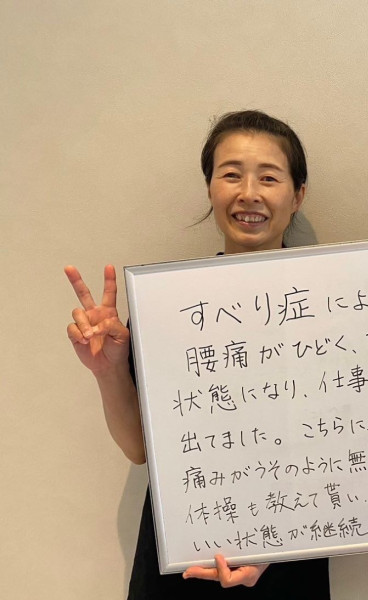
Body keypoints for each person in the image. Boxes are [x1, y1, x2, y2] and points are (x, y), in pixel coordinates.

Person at [65, 110, 330, 599]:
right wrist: (108, 371)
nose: (248, 193)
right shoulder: (171, 301)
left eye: (268, 177)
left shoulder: (332, 304)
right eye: (231, 174)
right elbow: (139, 449)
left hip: (293, 548)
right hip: (183, 551)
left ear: (297, 195)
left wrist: (272, 542)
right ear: (209, 187)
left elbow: (349, 445)